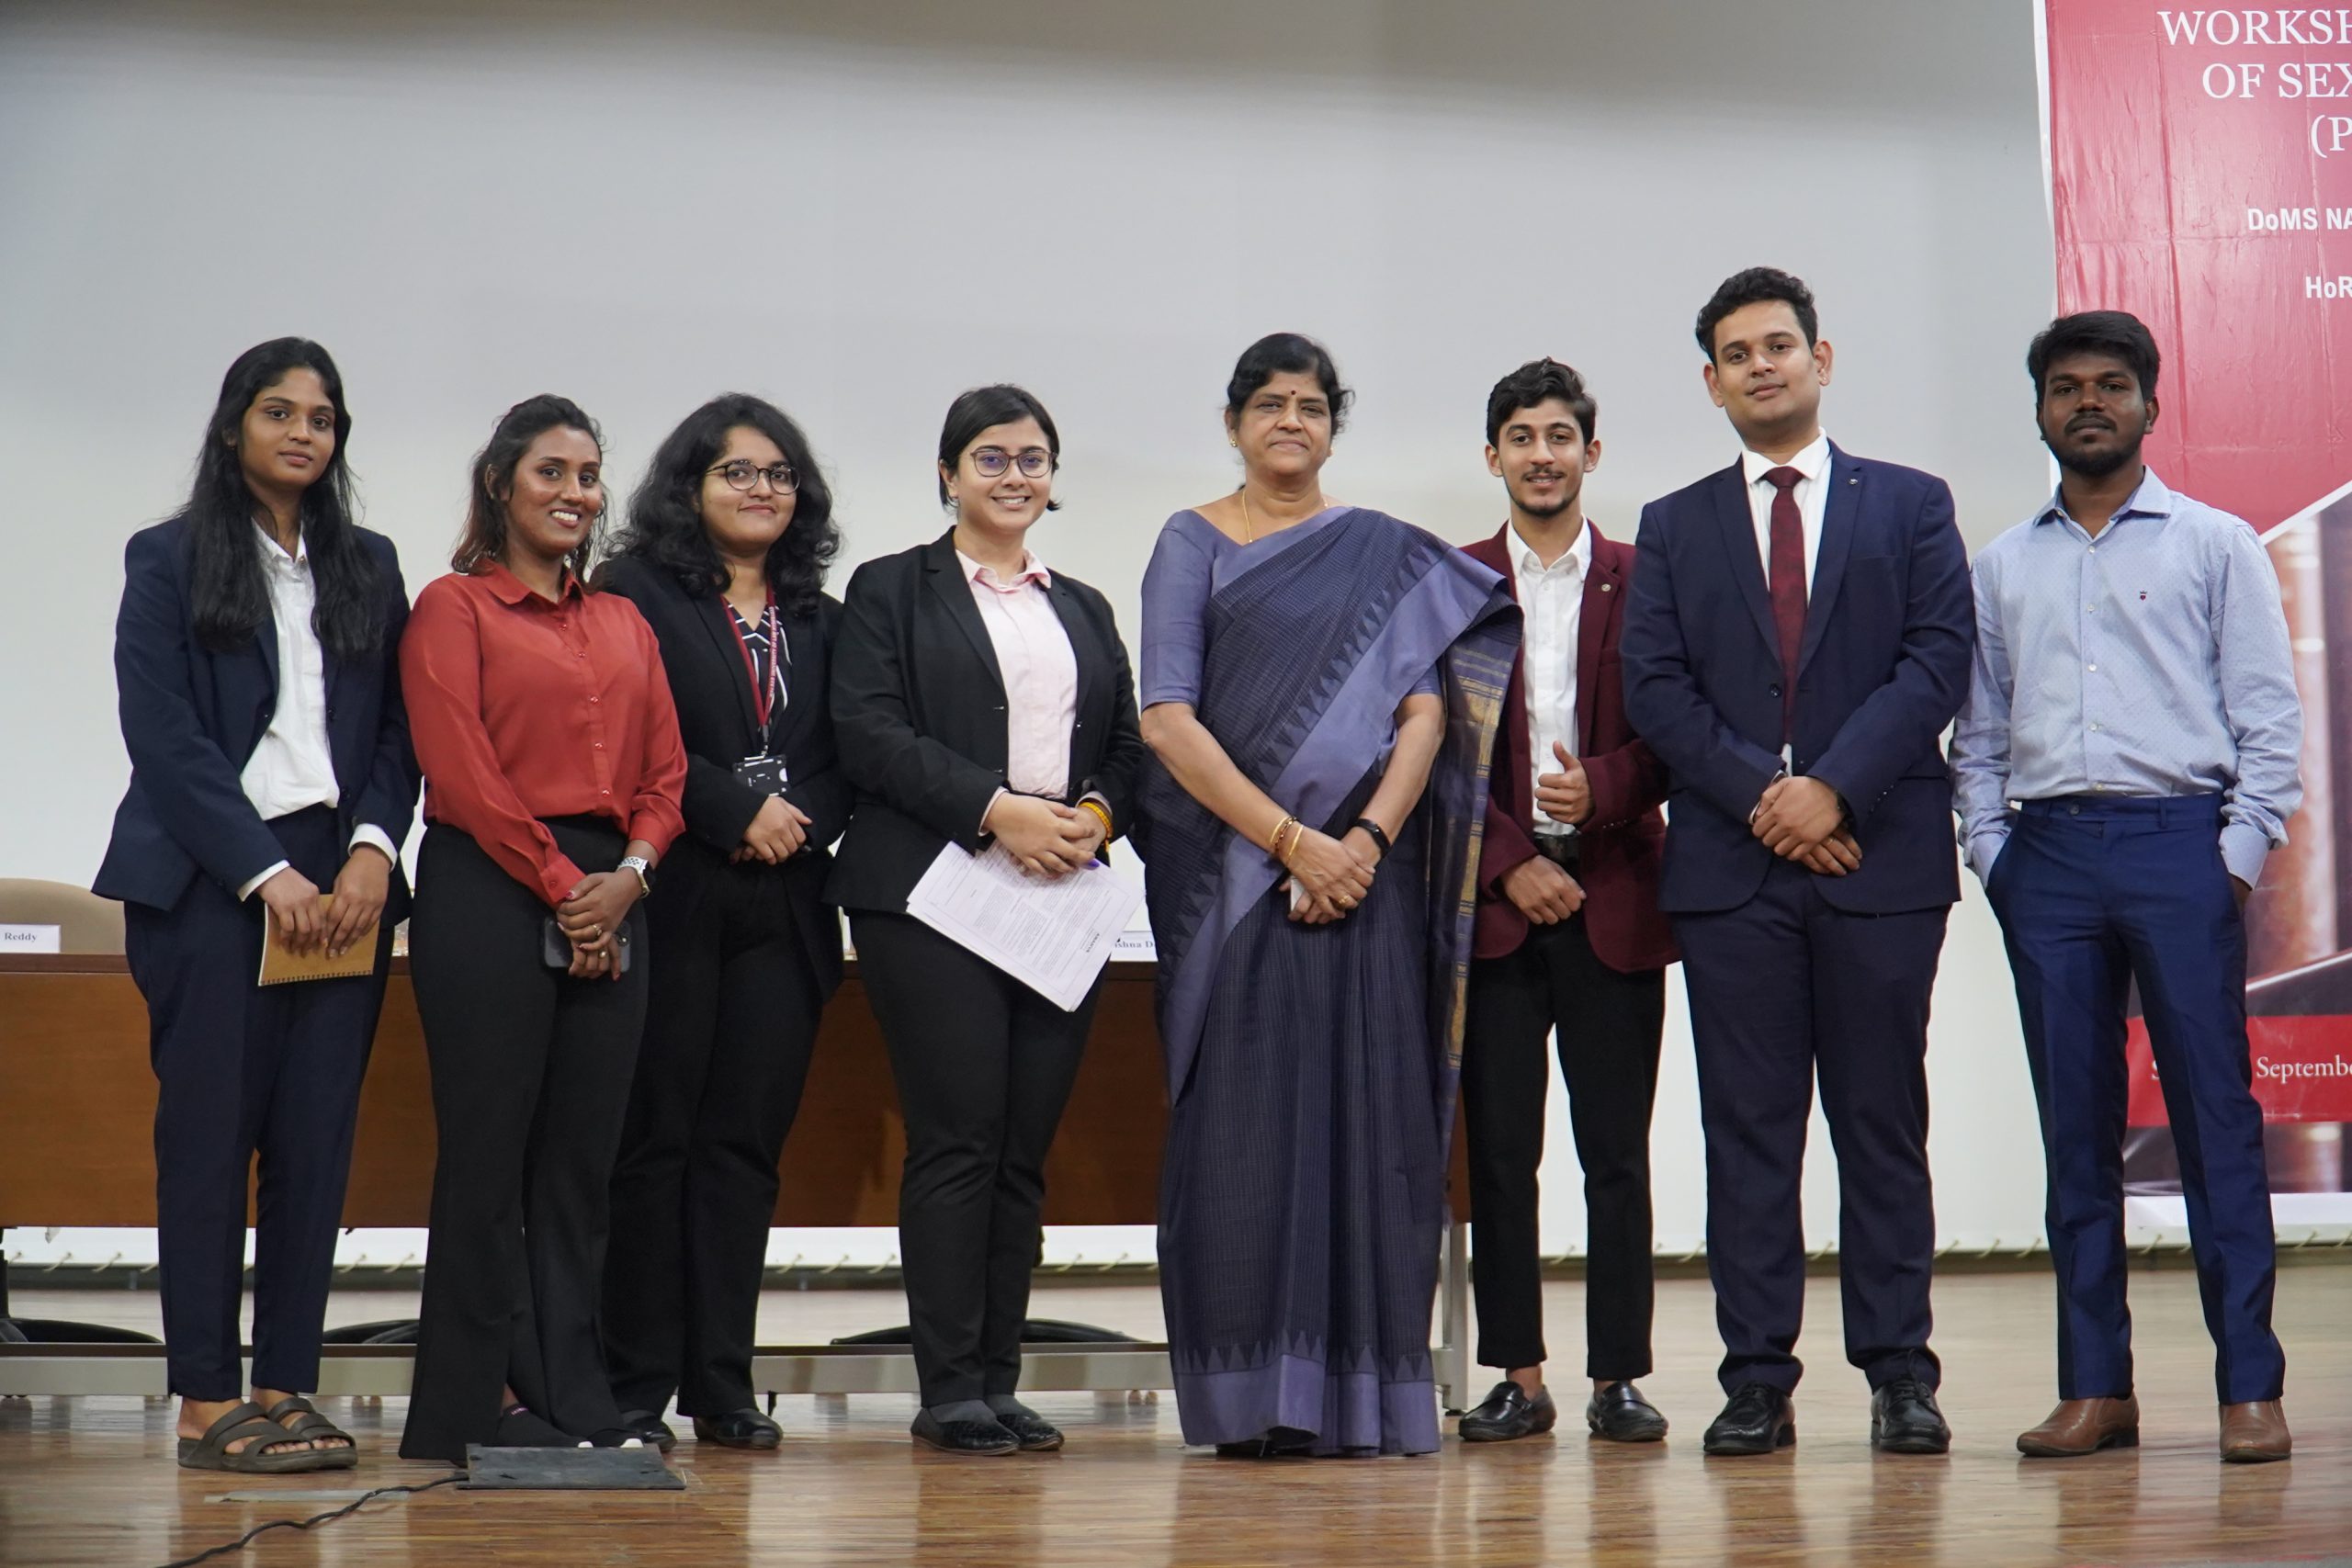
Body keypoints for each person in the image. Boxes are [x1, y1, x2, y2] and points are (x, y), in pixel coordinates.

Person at [1136, 333, 1518, 1458]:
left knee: (1368, 1130)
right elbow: (1166, 720)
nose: (1289, 423)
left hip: (1363, 892)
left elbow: (1425, 715)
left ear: (1331, 428)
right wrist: (1294, 843)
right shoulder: (1190, 542)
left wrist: (1362, 842)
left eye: (1309, 406)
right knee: (1239, 1142)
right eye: (1268, 405)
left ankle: (1359, 1399)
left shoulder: (1379, 553)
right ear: (1233, 424)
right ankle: (1250, 1401)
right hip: (1239, 889)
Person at [1620, 268, 1973, 1456]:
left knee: (1882, 1122)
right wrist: (1768, 799)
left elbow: (1937, 659)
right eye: (1737, 352)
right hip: (1733, 874)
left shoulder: (1910, 504)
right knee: (1749, 1131)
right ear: (1711, 382)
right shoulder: (1673, 524)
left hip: (1880, 860)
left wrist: (1833, 787)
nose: (1760, 365)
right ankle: (1756, 1377)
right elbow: (1654, 688)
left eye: (1778, 344)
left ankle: (1900, 1374)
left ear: (1821, 360)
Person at [1951, 310, 2302, 1464]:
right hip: (2046, 859)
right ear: (2040, 411)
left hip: (2177, 847)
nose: (2088, 402)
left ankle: (2248, 1387)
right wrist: (1995, 857)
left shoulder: (2214, 544)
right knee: (2074, 1130)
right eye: (2066, 387)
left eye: (2111, 384)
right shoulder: (2002, 565)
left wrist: (2230, 859)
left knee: (2214, 1122)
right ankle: (2094, 1388)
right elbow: (1979, 736)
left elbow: (2267, 719)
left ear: (2151, 405)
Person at [96, 337, 417, 1472]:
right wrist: (263, 873)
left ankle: (284, 1383)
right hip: (214, 882)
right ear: (235, 424)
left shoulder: (368, 563)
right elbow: (164, 737)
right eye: (279, 412)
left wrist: (372, 850)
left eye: (321, 418)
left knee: (314, 1145)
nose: (302, 433)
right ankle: (202, 1397)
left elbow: (399, 728)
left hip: (343, 879)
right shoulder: (170, 557)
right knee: (207, 1141)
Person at [828, 384, 1143, 1456]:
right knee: (959, 1140)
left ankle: (998, 1382)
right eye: (991, 457)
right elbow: (868, 733)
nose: (1015, 475)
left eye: (1032, 458)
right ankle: (949, 1388)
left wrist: (1094, 817)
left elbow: (1127, 749)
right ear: (948, 474)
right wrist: (999, 811)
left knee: (1020, 1152)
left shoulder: (1082, 606)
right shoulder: (889, 589)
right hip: (934, 896)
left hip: (1058, 897)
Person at [396, 395, 687, 1461]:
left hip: (615, 889)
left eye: (588, 475)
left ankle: (576, 1398)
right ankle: (478, 1405)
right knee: (488, 1161)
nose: (574, 493)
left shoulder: (623, 621)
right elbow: (461, 771)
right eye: (550, 472)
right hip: (490, 886)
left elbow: (666, 773)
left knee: (578, 1168)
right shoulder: (454, 608)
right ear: (500, 484)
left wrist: (629, 878)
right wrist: (568, 884)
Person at [596, 394, 850, 1451]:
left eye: (779, 474)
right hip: (675, 890)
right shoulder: (633, 593)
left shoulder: (823, 614)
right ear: (689, 486)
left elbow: (852, 747)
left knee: (743, 1150)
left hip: (786, 907)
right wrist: (731, 810)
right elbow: (627, 731)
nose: (762, 490)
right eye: (738, 472)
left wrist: (794, 821)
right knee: (652, 1144)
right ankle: (633, 1385)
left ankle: (723, 1385)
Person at [1453, 359, 1677, 1445]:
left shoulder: (1648, 577)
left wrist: (1606, 788)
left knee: (1615, 1157)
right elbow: (1425, 746)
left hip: (1616, 895)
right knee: (1500, 1156)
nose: (1540, 456)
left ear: (1590, 454)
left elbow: (1681, 728)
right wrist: (1506, 861)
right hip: (1497, 907)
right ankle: (1518, 1376)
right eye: (1520, 437)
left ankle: (1617, 1377)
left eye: (1558, 437)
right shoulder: (1453, 583)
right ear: (1491, 455)